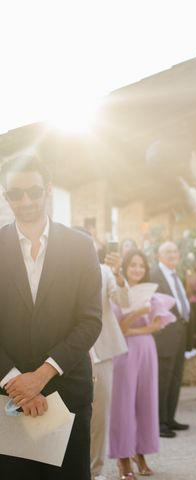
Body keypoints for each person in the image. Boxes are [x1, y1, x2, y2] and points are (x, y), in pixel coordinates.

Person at [0, 156, 102, 479]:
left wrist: (40, 376)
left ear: (49, 190)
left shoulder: (81, 247)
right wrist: (15, 382)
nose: (25, 201)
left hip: (66, 391)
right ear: (5, 196)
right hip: (7, 397)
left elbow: (90, 320)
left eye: (34, 191)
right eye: (16, 194)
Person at [109, 249, 176, 479]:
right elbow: (119, 328)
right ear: (125, 268)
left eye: (141, 266)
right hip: (124, 352)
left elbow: (157, 325)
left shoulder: (152, 294)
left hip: (147, 351)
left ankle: (140, 453)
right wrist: (138, 311)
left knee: (145, 403)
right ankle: (123, 460)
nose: (137, 269)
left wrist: (138, 325)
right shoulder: (117, 294)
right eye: (132, 265)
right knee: (123, 405)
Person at [72, 227, 130, 480]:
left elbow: (123, 302)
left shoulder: (105, 271)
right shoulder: (59, 272)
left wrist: (118, 274)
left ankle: (95, 471)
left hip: (103, 352)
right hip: (70, 354)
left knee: (99, 417)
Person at [151, 241, 192, 438]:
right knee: (162, 380)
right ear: (159, 255)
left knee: (175, 378)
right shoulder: (154, 275)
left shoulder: (177, 276)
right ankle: (159, 422)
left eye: (175, 251)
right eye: (167, 251)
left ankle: (170, 418)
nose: (172, 254)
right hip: (163, 335)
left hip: (180, 334)